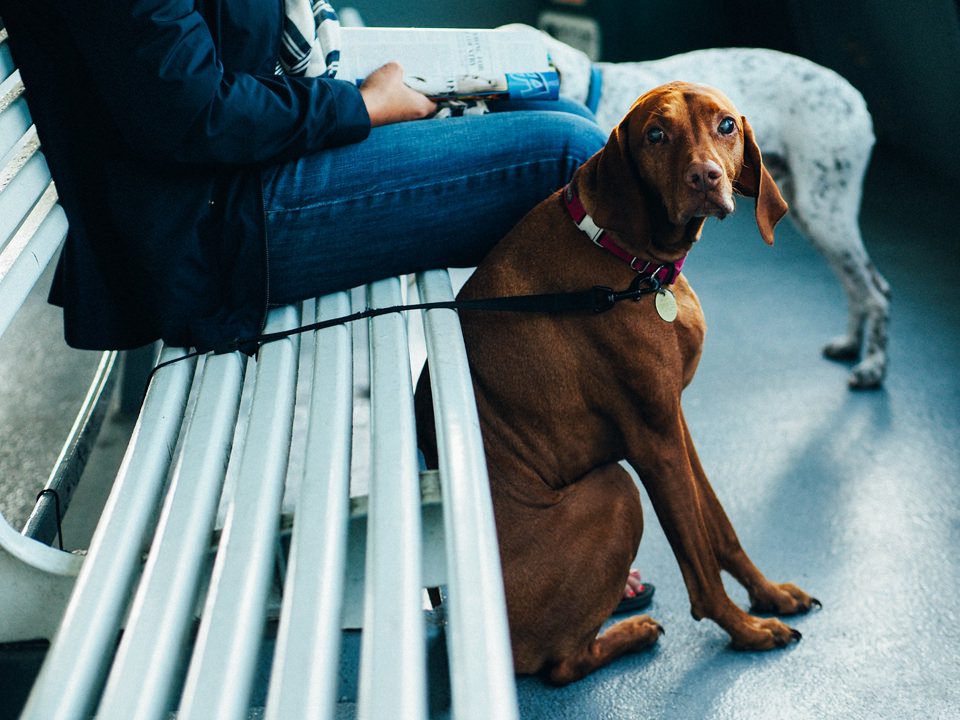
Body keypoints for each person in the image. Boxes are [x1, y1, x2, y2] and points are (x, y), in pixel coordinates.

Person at [0, 0, 651, 612]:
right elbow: (193, 114)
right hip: (213, 227)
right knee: (571, 157)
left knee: (556, 109)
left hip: (237, 180)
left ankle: (528, 508)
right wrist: (362, 105)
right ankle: (543, 538)